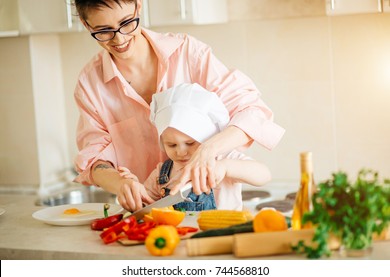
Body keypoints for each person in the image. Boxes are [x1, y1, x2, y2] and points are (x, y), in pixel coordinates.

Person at [72, 0, 285, 212]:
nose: (120, 38)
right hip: (155, 221)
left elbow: (252, 112)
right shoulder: (90, 83)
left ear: (138, 6)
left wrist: (208, 151)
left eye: (127, 22)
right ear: (85, 23)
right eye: (103, 31)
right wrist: (120, 183)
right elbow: (94, 158)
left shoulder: (188, 53)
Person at [120, 83, 272, 210]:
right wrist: (135, 191)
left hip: (223, 237)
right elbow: (147, 207)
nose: (180, 151)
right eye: (171, 145)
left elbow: (264, 175)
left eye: (190, 143)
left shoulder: (223, 159)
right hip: (179, 240)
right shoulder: (162, 172)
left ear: (208, 138)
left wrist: (225, 167)